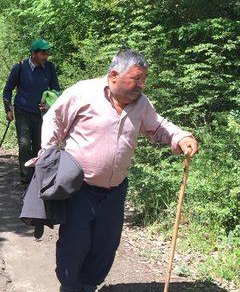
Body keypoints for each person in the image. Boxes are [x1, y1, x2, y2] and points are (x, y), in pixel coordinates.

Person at [40, 49, 199, 292]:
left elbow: (158, 127)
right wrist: (49, 154)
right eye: (136, 79)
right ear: (114, 75)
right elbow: (54, 119)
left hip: (115, 190)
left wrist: (181, 137)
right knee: (75, 242)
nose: (141, 85)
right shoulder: (83, 92)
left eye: (144, 79)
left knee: (106, 243)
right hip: (80, 188)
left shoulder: (141, 104)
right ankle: (70, 286)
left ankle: (89, 285)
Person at [3, 38, 60, 188]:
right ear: (34, 54)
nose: (46, 56)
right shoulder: (20, 68)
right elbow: (8, 89)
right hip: (22, 111)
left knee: (40, 144)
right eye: (43, 53)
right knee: (24, 144)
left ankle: (38, 174)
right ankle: (25, 177)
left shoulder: (49, 68)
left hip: (42, 114)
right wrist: (8, 109)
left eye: (47, 53)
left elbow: (55, 90)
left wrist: (48, 103)